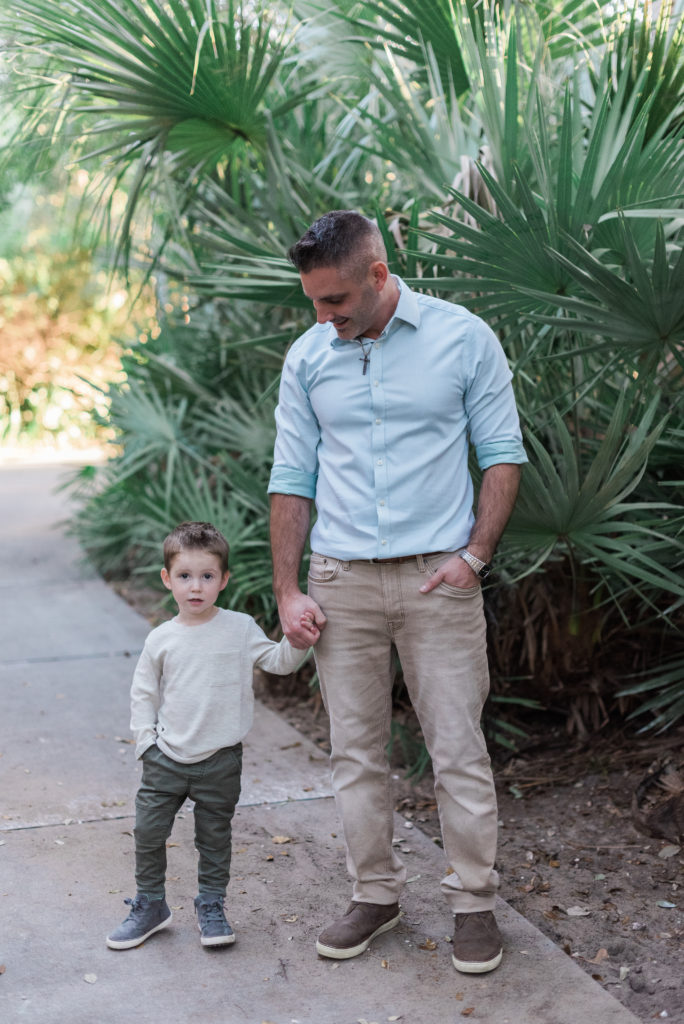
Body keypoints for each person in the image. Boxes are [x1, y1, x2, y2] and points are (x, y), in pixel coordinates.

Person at [268, 210, 527, 974]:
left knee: (457, 751)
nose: (324, 317)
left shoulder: (462, 337)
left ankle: (474, 903)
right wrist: (287, 590)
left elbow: (503, 455)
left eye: (336, 300)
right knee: (354, 754)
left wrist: (474, 557)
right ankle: (374, 896)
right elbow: (292, 479)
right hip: (339, 582)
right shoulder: (309, 355)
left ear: (378, 276)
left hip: (436, 579)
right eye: (314, 302)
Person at [106, 521, 306, 951]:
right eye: (184, 576)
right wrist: (145, 742)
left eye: (207, 576)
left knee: (214, 838)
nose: (195, 587)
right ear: (167, 579)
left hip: (219, 759)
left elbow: (277, 661)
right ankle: (150, 904)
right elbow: (143, 692)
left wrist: (300, 640)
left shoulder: (239, 628)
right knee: (147, 831)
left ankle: (211, 904)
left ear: (224, 580)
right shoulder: (161, 638)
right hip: (166, 758)